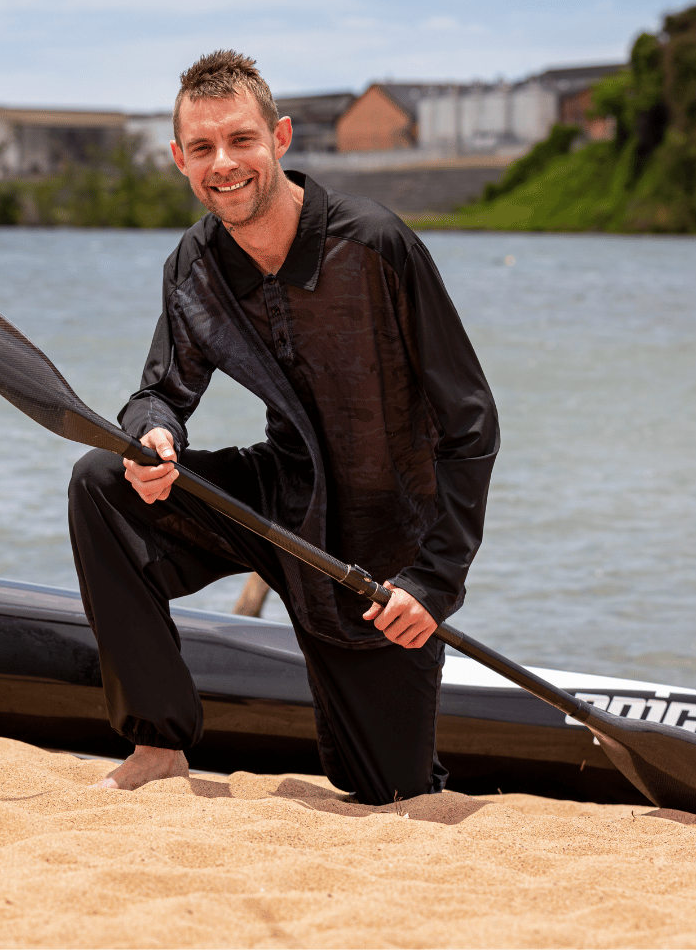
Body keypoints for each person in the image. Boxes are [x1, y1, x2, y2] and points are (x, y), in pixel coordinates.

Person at [68, 50, 499, 805]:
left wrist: (433, 582)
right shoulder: (193, 265)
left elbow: (470, 424)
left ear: (281, 138)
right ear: (179, 159)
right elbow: (159, 392)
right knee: (104, 482)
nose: (223, 164)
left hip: (377, 552)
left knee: (389, 791)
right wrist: (155, 435)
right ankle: (159, 742)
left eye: (241, 140)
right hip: (276, 504)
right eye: (202, 148)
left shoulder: (375, 246)